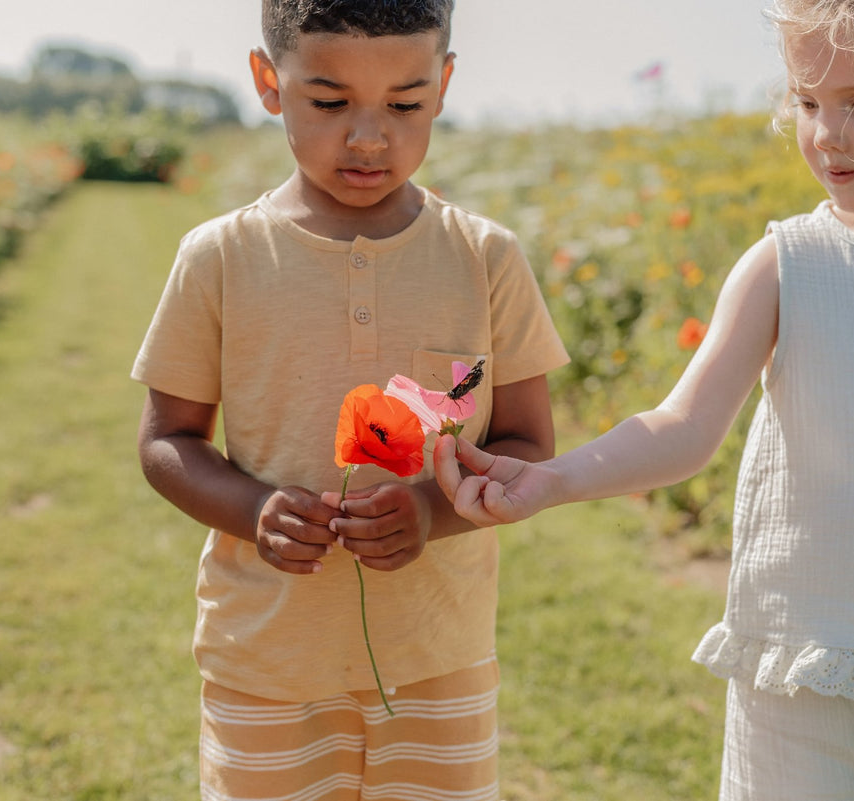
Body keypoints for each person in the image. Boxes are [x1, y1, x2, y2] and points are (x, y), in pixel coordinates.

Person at [434, 0, 854, 797]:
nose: (825, 133)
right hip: (798, 660)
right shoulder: (788, 264)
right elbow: (682, 425)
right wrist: (553, 478)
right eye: (807, 101)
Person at [131, 1, 568, 798]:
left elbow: (527, 445)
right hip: (265, 661)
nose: (369, 137)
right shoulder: (219, 258)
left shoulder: (486, 258)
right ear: (269, 82)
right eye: (329, 103)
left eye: (404, 103)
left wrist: (434, 509)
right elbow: (168, 442)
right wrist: (254, 509)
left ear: (443, 85)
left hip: (439, 659)